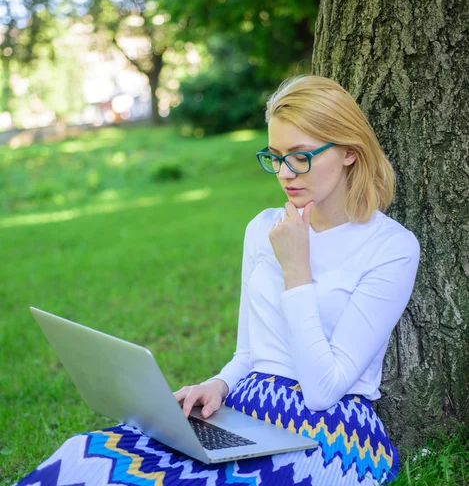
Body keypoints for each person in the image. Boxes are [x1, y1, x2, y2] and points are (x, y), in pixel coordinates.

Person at [17, 75, 420, 486]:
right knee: (87, 458)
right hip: (245, 407)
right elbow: (249, 351)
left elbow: (323, 390)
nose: (284, 173)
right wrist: (218, 384)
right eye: (275, 156)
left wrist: (297, 270)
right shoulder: (264, 228)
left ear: (349, 152)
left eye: (300, 156)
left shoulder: (391, 247)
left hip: (330, 427)